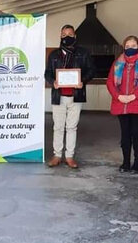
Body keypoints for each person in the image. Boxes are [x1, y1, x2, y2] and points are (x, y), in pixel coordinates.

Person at [45, 24, 95, 168]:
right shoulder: (54, 55)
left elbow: (92, 70)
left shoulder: (83, 53)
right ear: (60, 36)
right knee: (58, 127)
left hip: (76, 95)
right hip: (58, 96)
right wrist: (52, 81)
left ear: (75, 36)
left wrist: (83, 81)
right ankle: (57, 155)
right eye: (64, 35)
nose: (67, 37)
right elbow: (47, 72)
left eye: (70, 34)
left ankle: (69, 156)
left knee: (72, 127)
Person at [106, 35, 138, 174]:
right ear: (124, 48)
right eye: (127, 46)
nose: (130, 49)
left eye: (133, 46)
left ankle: (137, 162)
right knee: (125, 134)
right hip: (121, 103)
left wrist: (134, 96)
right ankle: (126, 162)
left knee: (136, 132)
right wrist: (118, 96)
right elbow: (110, 82)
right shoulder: (117, 62)